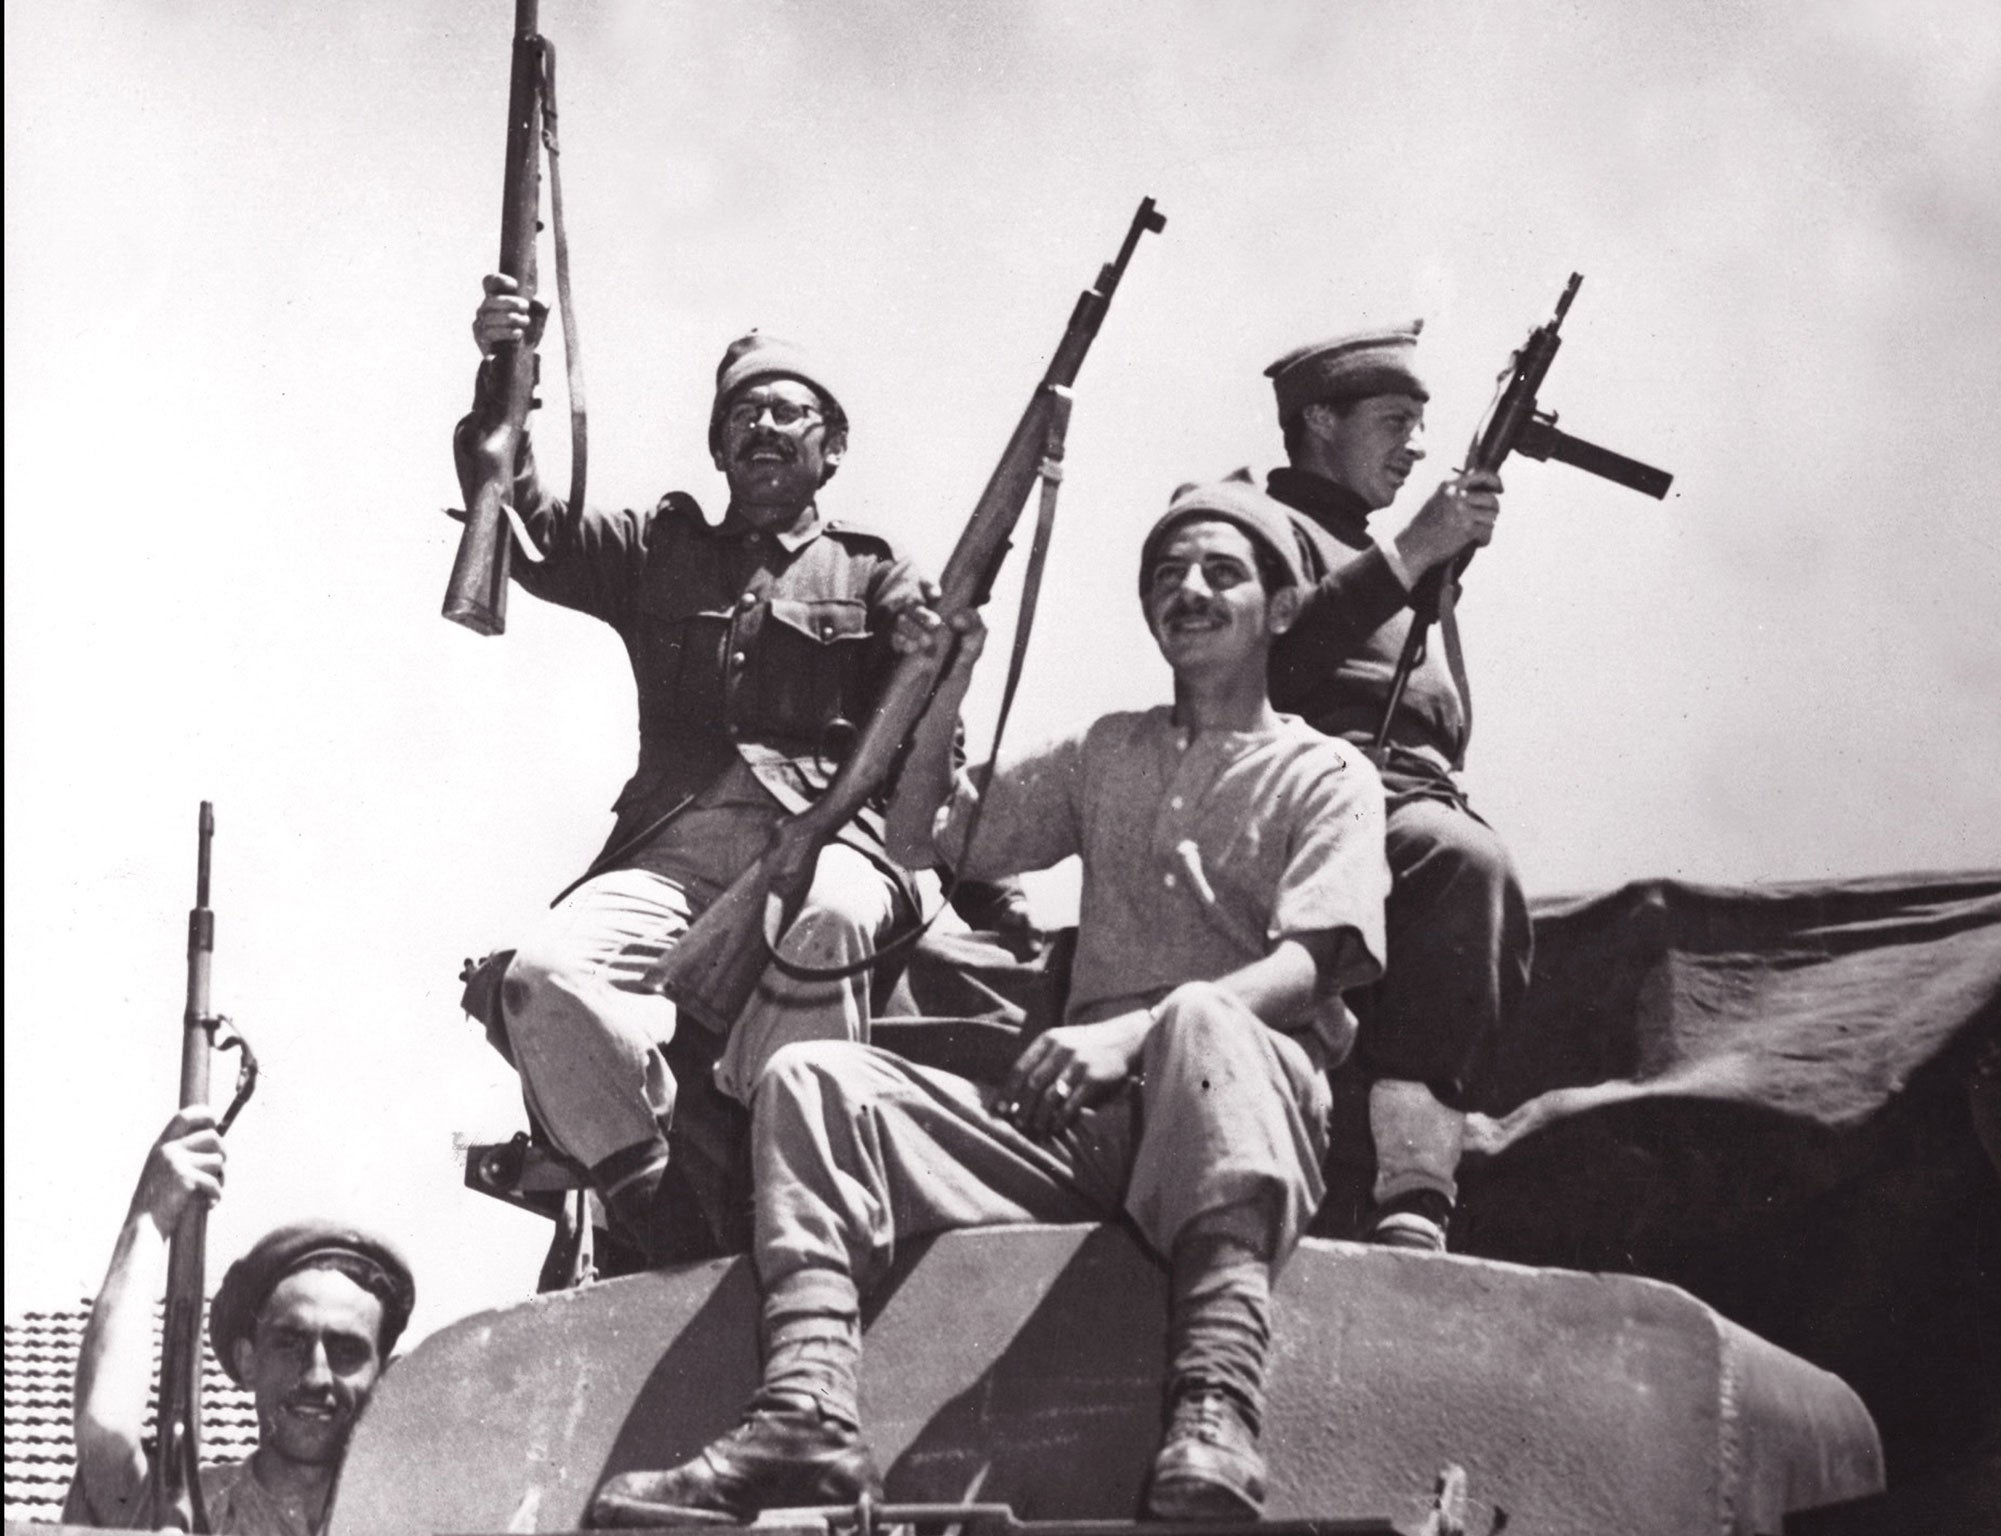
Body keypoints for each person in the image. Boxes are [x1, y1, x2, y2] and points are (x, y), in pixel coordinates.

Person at [588, 479, 1389, 1526]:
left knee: (1204, 1020)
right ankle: (806, 1412)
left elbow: (1308, 965)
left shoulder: (1324, 772)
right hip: (1085, 1126)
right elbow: (932, 838)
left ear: (1281, 610)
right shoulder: (1110, 750)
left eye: (1218, 574)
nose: (1185, 591)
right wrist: (944, 684)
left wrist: (1129, 1033)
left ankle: (1216, 1405)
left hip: (1229, 1099)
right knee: (814, 1078)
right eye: (1165, 577)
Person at [457, 279, 1032, 1263]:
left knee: (837, 917)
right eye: (741, 416)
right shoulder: (658, 550)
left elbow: (941, 763)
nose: (763, 426)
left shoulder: (878, 575)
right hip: (671, 854)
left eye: (787, 411)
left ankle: (803, 1199)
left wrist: (932, 660)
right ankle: (663, 1208)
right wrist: (503, 371)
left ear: (831, 448)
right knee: (543, 981)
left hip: (831, 843)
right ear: (719, 449)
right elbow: (530, 529)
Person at [1260, 321, 1535, 1252]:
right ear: (1320, 421)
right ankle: (1414, 1191)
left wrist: (1427, 564)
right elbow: (1269, 670)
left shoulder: (1369, 548)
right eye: (1393, 419)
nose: (1415, 445)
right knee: (1463, 862)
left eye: (1423, 423)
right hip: (1306, 791)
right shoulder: (1251, 525)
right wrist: (1410, 557)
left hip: (1404, 795)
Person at [64, 1109, 415, 1536]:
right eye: (290, 1343)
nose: (317, 1376)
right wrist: (149, 1219)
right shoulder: (192, 1515)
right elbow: (106, 1442)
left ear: (386, 1380)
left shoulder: (416, 1522)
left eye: (346, 1351)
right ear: (248, 1361)